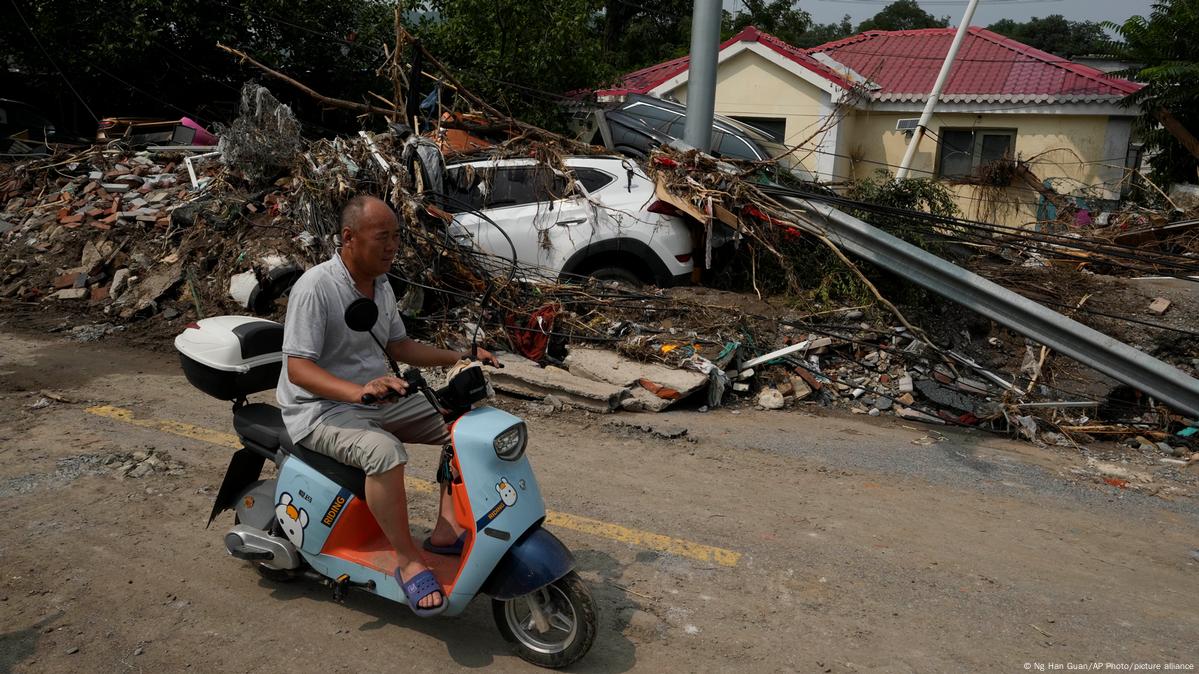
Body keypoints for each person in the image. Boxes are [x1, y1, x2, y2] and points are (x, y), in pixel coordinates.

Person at [276, 194, 499, 616]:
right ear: (349, 238)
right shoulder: (316, 287)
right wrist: (356, 391)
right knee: (384, 454)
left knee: (462, 423)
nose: (393, 246)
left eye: (397, 237)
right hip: (320, 408)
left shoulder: (381, 285)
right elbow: (298, 370)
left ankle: (447, 530)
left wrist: (463, 356)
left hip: (377, 397)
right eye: (383, 237)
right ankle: (407, 560)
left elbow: (400, 345)